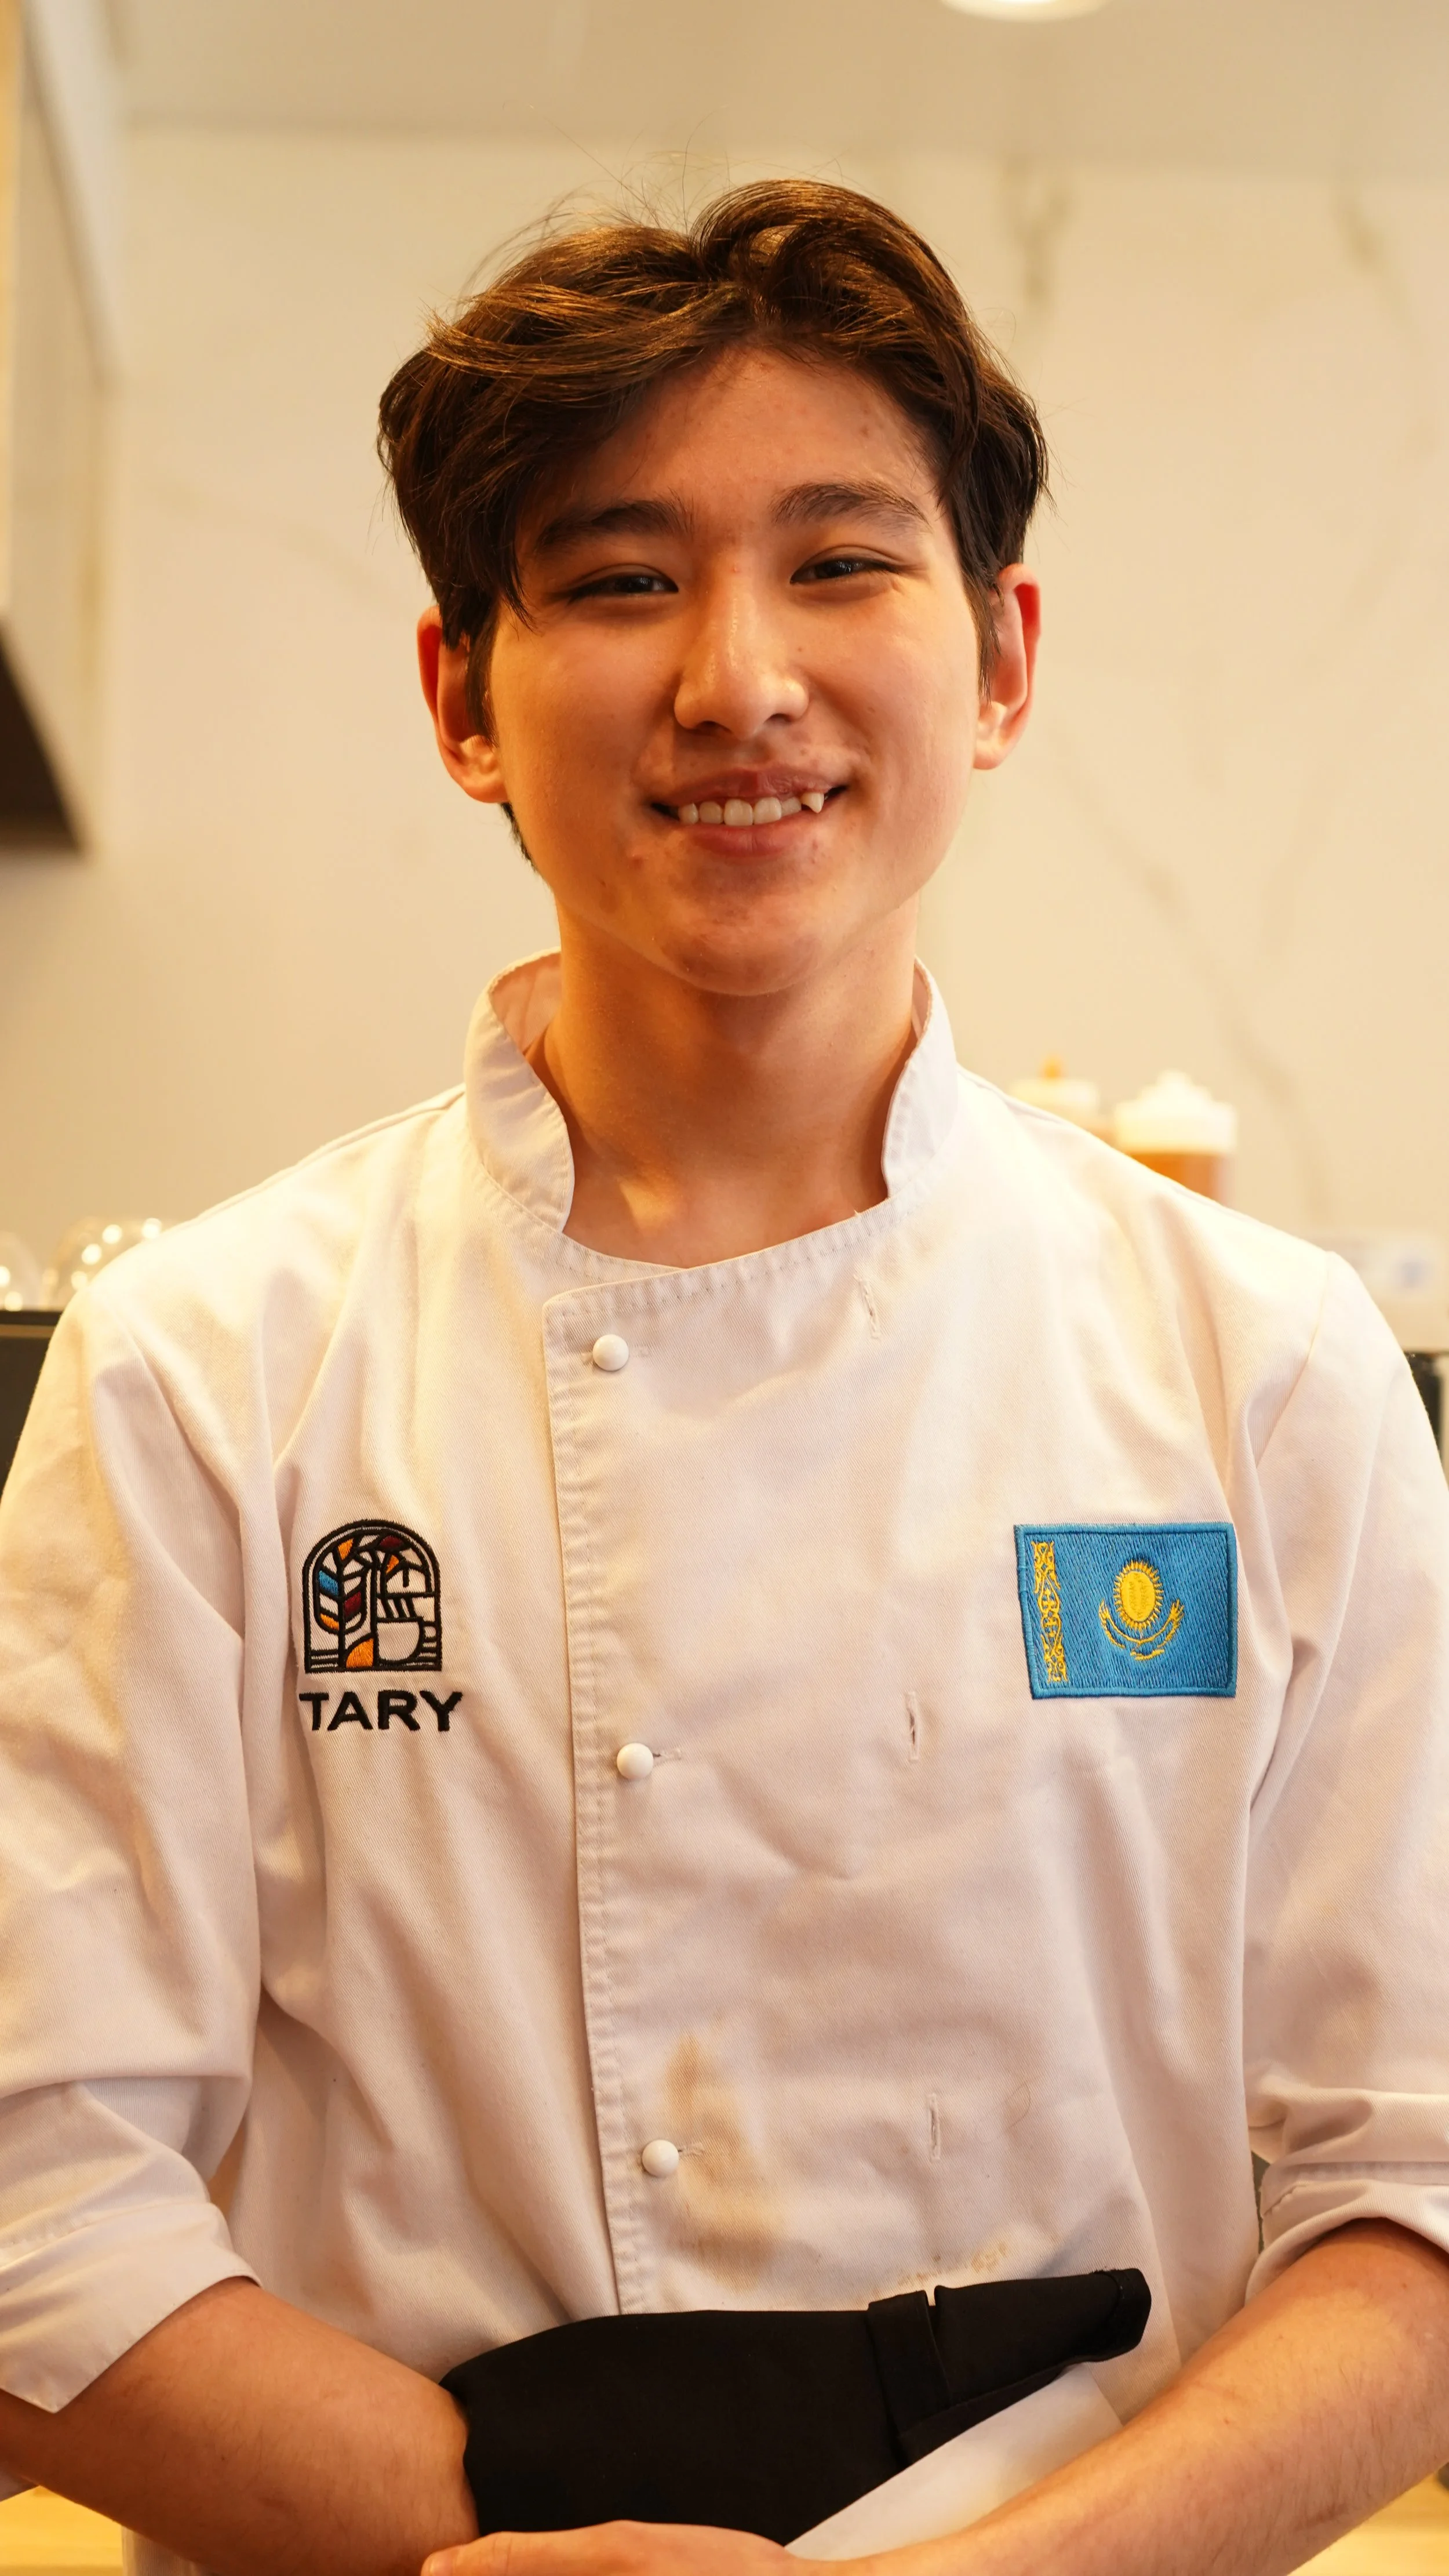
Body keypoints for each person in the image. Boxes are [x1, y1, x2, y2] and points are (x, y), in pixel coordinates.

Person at [0, 177, 1447, 2576]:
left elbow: (1408, 2186)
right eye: (616, 576)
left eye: (840, 561)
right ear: (462, 693)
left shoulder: (1267, 1375)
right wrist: (497, 2541)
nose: (736, 678)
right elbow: (32, 2169)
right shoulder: (208, 1374)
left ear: (999, 658)